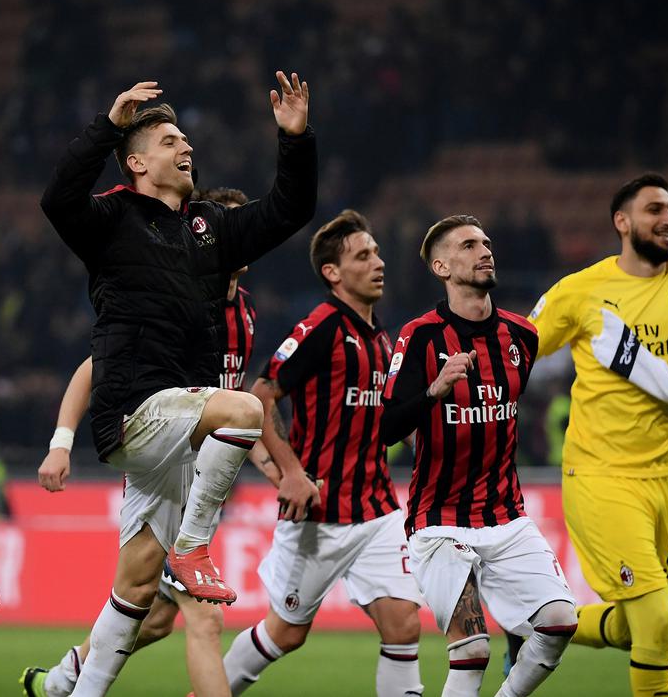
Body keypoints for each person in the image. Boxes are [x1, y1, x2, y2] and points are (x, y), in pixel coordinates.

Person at [38, 75, 315, 695]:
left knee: (136, 588)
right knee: (244, 410)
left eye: (186, 138)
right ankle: (191, 547)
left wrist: (295, 140)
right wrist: (107, 127)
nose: (186, 145)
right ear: (137, 163)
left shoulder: (210, 227)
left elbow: (288, 211)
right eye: (169, 140)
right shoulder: (111, 217)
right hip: (134, 410)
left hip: (178, 435)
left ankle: (74, 689)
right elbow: (58, 200)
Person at [23, 187, 274, 697]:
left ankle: (61, 682)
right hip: (166, 456)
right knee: (205, 620)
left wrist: (271, 465)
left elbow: (234, 392)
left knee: (149, 614)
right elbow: (94, 369)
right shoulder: (177, 291)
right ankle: (188, 552)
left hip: (204, 478)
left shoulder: (245, 311)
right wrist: (61, 442)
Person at [527, 173, 668, 697]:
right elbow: (520, 347)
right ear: (622, 222)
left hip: (665, 477)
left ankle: (538, 626)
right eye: (654, 209)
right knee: (658, 619)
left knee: (637, 627)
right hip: (600, 476)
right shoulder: (581, 290)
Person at [222, 211, 425, 697]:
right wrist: (290, 472)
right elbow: (261, 394)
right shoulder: (321, 326)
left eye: (376, 252)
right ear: (332, 272)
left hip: (376, 509)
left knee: (403, 626)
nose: (378, 262)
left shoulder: (380, 337)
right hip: (319, 512)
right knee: (286, 633)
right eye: (363, 255)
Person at [380, 215, 577, 697]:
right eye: (468, 245)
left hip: (506, 515)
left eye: (486, 242)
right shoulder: (420, 336)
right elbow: (384, 430)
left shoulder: (522, 336)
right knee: (471, 652)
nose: (484, 250)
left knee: (559, 621)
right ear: (442, 267)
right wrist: (434, 390)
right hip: (439, 519)